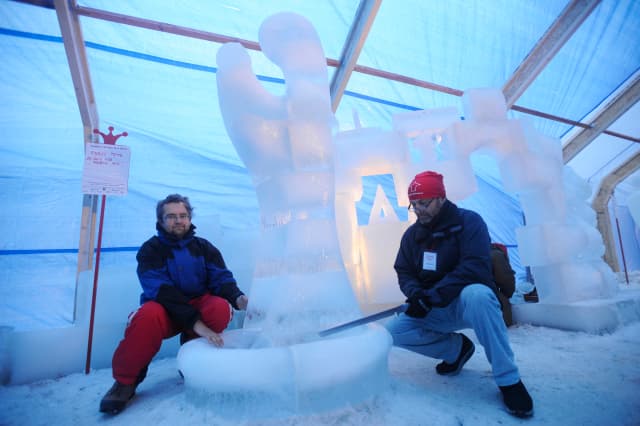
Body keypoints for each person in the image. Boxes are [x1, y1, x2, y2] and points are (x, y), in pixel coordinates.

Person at [385, 171, 533, 418]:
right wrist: (416, 294)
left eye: (424, 202)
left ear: (441, 198)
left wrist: (431, 296)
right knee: (393, 332)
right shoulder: (412, 235)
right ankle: (456, 350)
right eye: (414, 204)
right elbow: (404, 270)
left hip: (465, 304)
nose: (418, 209)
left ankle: (509, 380)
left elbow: (474, 267)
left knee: (480, 295)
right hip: (433, 305)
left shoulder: (470, 222)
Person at [99, 194, 249, 414]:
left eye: (183, 215)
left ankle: (191, 360)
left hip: (197, 306)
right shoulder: (150, 250)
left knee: (219, 307)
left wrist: (239, 298)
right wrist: (197, 323)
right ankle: (125, 382)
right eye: (171, 216)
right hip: (164, 309)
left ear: (189, 218)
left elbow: (221, 279)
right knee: (146, 316)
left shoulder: (205, 247)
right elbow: (162, 291)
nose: (178, 221)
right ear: (160, 221)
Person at [490, 242, 516, 327]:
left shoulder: (479, 251)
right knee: (503, 302)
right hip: (486, 289)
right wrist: (507, 294)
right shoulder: (497, 255)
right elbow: (506, 278)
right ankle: (506, 330)